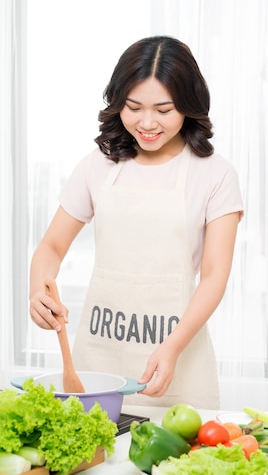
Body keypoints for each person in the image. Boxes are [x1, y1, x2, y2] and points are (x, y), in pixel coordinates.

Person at [29, 35, 244, 409]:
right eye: (134, 107)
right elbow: (52, 246)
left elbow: (214, 275)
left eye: (163, 110)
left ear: (188, 105)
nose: (147, 123)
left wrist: (173, 347)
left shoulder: (216, 175)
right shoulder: (100, 164)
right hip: (98, 362)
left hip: (177, 362)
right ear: (117, 103)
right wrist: (38, 291)